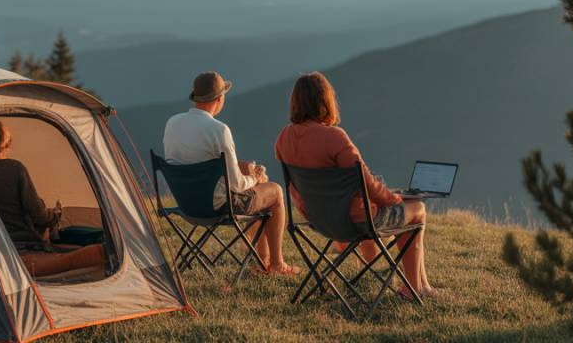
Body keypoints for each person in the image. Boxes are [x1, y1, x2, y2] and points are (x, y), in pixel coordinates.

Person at [273, 71, 436, 297]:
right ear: (325, 101)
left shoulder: (284, 137)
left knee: (400, 209)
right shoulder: (334, 137)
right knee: (417, 209)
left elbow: (296, 188)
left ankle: (423, 285)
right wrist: (394, 199)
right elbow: (366, 182)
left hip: (318, 219)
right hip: (355, 221)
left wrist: (311, 209)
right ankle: (411, 288)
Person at [163, 71, 296, 275]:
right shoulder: (219, 130)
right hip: (218, 206)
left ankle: (263, 262)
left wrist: (244, 170)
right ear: (219, 98)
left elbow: (193, 162)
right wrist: (256, 178)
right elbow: (236, 186)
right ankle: (276, 265)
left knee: (256, 190)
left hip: (186, 204)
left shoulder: (172, 123)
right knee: (274, 192)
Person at [0, 119, 105, 278]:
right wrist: (54, 217)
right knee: (99, 252)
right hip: (23, 253)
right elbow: (38, 214)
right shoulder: (15, 169)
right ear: (5, 145)